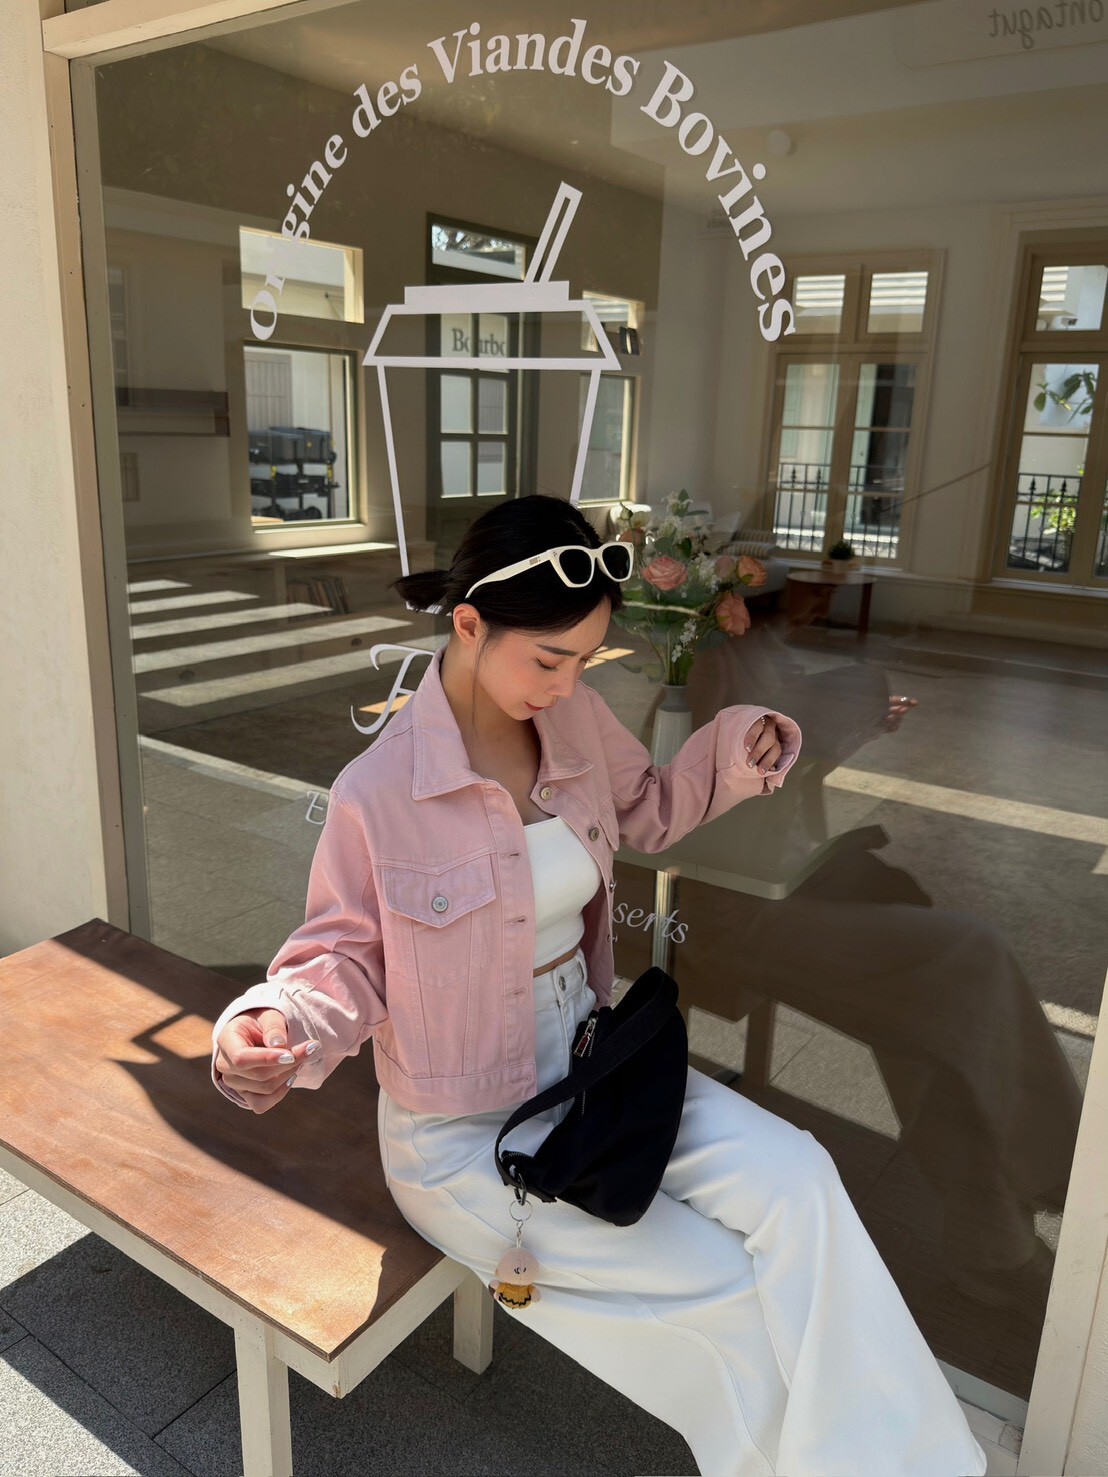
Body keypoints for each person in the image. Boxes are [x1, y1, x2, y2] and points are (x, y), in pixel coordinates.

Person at [210, 495, 987, 1477]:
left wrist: (735, 744)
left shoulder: (570, 722)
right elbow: (344, 956)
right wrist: (270, 1019)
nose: (569, 684)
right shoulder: (381, 791)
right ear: (468, 624)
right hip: (464, 1134)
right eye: (549, 660)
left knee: (801, 1178)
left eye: (586, 659)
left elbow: (649, 808)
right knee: (723, 1291)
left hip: (591, 1067)